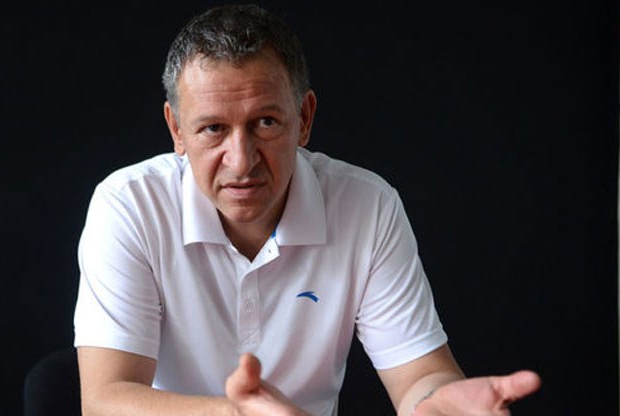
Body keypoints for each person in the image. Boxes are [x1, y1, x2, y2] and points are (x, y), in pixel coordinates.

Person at [72, 4, 541, 415]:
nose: (241, 161)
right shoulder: (129, 205)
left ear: (304, 118)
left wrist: (433, 403)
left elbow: (419, 375)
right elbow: (105, 400)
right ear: (176, 129)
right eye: (213, 128)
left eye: (266, 122)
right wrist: (236, 414)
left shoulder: (367, 207)